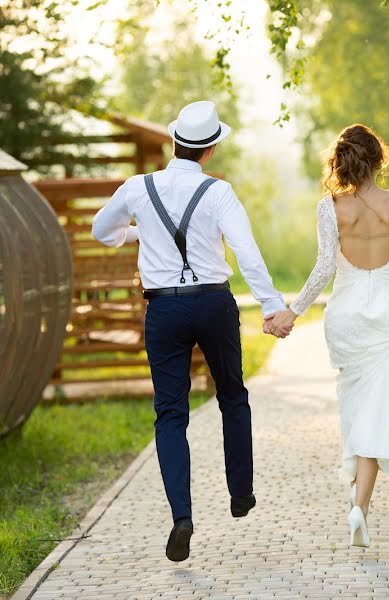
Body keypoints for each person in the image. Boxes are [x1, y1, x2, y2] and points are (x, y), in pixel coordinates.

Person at [92, 101, 288, 562]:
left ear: (173, 141)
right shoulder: (219, 192)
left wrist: (139, 234)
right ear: (210, 149)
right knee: (232, 396)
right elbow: (246, 250)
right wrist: (272, 304)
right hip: (214, 304)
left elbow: (103, 230)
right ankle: (240, 493)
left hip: (163, 310)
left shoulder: (138, 188)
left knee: (170, 414)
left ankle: (182, 515)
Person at [267, 124, 389, 547]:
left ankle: (357, 499)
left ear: (342, 161)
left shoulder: (330, 207)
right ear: (379, 160)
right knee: (378, 413)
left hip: (345, 317)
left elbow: (325, 267)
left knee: (358, 407)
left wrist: (293, 311)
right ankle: (360, 507)